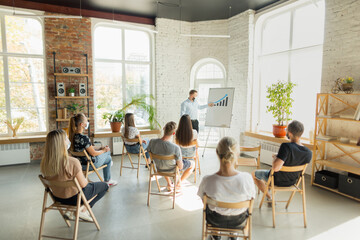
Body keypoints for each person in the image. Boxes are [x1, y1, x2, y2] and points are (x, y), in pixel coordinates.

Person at [40, 129, 109, 222]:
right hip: (75, 199)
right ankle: (83, 210)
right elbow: (84, 185)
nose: (68, 140)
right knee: (104, 186)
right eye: (66, 139)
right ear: (61, 144)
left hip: (58, 198)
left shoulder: (45, 163)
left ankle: (71, 211)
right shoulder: (72, 162)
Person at [197, 137, 256, 240]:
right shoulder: (247, 178)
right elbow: (251, 200)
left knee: (208, 207)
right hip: (239, 222)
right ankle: (234, 234)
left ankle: (216, 233)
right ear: (237, 154)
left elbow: (204, 201)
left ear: (217, 152)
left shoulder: (208, 180)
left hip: (215, 221)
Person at [252, 120, 312, 202]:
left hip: (277, 180)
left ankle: (269, 197)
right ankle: (269, 192)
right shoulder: (308, 153)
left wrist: (275, 158)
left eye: (287, 130)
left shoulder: (286, 146)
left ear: (290, 133)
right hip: (292, 182)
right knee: (270, 174)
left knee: (254, 174)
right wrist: (279, 156)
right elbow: (293, 159)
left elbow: (275, 168)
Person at [68, 113, 117, 186]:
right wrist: (104, 150)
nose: (87, 122)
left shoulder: (72, 137)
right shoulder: (84, 138)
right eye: (86, 121)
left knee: (105, 154)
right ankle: (107, 179)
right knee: (108, 155)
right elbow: (93, 153)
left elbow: (88, 147)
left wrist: (100, 148)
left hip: (79, 164)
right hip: (90, 164)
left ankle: (108, 163)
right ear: (82, 124)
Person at [147, 121, 195, 191]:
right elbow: (180, 167)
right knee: (192, 164)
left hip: (159, 168)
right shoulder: (175, 148)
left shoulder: (152, 142)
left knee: (164, 162)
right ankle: (178, 184)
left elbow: (148, 152)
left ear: (164, 129)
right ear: (174, 133)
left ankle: (169, 183)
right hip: (172, 170)